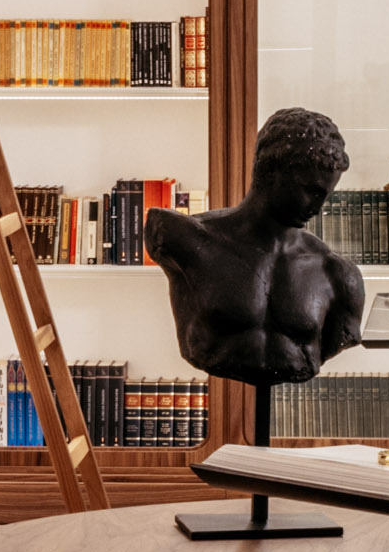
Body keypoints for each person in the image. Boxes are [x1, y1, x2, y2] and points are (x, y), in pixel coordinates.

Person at [144, 105, 366, 393]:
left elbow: (339, 341)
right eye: (309, 190)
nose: (317, 207)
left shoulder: (337, 274)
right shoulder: (184, 239)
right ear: (270, 171)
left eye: (325, 195)